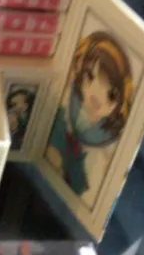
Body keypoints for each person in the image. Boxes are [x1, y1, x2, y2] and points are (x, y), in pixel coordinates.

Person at [45, 32, 135, 205]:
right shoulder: (66, 104)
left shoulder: (104, 149)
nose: (95, 95)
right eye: (90, 77)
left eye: (111, 94)